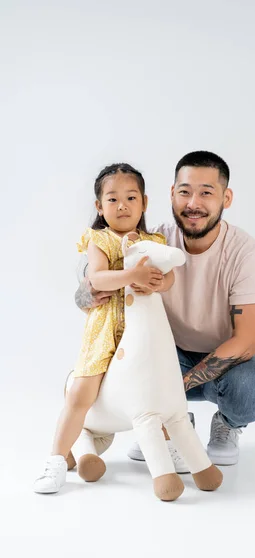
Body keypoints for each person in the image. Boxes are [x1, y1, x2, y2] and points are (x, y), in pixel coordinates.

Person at [75, 151, 255, 469]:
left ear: (226, 197)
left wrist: (171, 389)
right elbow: (89, 284)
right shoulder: (152, 242)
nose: (193, 203)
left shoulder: (246, 254)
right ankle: (166, 426)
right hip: (168, 355)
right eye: (184, 191)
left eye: (206, 193)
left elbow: (246, 342)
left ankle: (224, 424)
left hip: (228, 365)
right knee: (93, 376)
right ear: (172, 194)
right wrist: (87, 294)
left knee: (252, 388)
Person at [34, 163, 173, 493]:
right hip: (105, 329)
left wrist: (159, 283)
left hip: (142, 328)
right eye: (112, 199)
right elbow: (96, 278)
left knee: (157, 385)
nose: (122, 205)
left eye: (130, 197)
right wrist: (132, 277)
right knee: (81, 392)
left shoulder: (154, 240)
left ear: (144, 202)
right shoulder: (100, 239)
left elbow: (169, 277)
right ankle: (56, 459)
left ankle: (168, 445)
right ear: (99, 206)